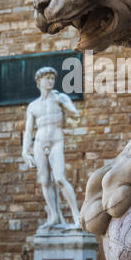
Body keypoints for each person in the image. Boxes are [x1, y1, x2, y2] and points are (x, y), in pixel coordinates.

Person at [22, 67, 80, 230]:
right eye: (47, 78)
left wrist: (63, 103)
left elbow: (75, 114)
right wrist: (25, 151)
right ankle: (54, 216)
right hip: (40, 143)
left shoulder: (60, 97)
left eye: (52, 78)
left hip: (56, 141)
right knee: (45, 181)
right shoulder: (33, 106)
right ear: (39, 81)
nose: (50, 81)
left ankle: (76, 215)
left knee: (60, 177)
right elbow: (28, 131)